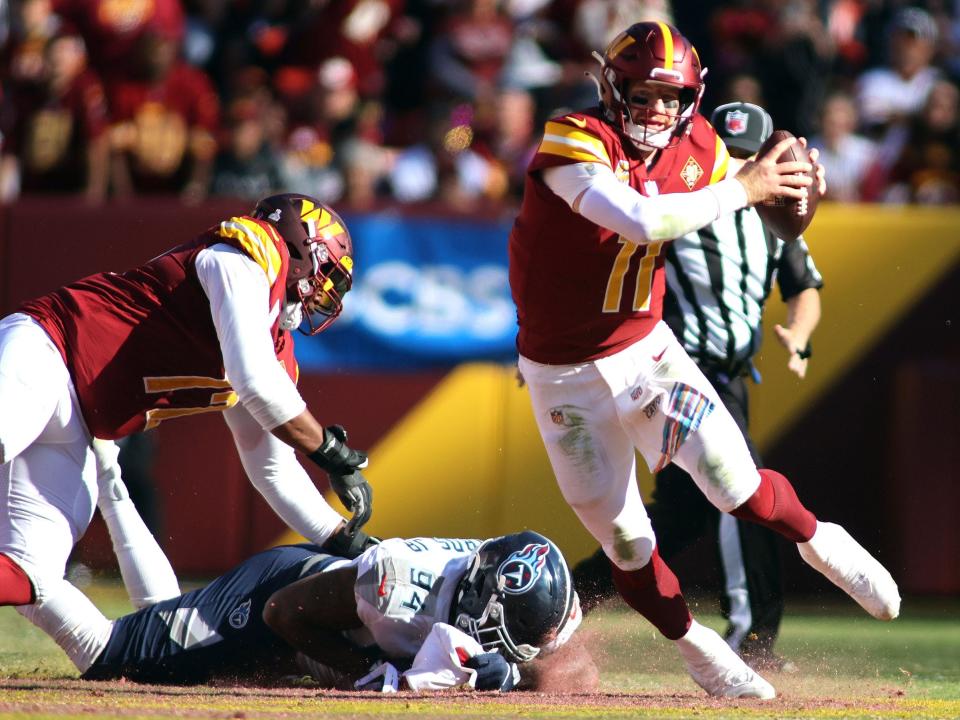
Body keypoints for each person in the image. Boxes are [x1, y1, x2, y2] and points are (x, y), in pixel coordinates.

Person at [507, 21, 900, 700]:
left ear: (693, 97)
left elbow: (775, 213)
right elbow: (637, 219)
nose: (657, 109)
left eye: (671, 96)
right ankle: (697, 647)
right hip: (561, 376)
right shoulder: (575, 137)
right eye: (643, 92)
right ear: (612, 86)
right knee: (628, 543)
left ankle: (819, 539)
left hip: (647, 353)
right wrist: (744, 188)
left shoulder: (701, 146)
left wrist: (795, 191)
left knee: (735, 485)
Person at [0, 193, 376, 635]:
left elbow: (272, 470)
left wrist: (347, 541)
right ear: (299, 246)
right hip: (46, 348)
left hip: (81, 420)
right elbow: (253, 382)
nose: (324, 293)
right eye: (326, 273)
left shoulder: (274, 347)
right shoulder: (246, 254)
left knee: (30, 573)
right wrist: (330, 451)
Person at [572, 101, 825, 671]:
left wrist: (801, 336)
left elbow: (804, 285)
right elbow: (614, 264)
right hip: (678, 368)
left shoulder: (777, 220)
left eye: (748, 158)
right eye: (728, 157)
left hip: (731, 374)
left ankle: (567, 600)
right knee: (746, 494)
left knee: (682, 515)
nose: (737, 169)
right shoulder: (684, 204)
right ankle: (753, 640)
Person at [31, 525, 584, 693]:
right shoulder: (399, 591)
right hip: (279, 598)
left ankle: (109, 477)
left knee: (167, 626)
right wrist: (369, 674)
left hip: (343, 608)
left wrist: (516, 672)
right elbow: (282, 613)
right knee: (111, 655)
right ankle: (23, 565)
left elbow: (546, 662)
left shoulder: (524, 583)